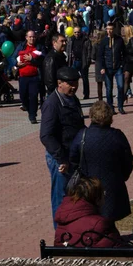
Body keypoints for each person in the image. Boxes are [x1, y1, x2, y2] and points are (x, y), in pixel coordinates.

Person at [70, 101, 133, 222]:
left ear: (91, 116)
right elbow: (127, 161)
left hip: (88, 186)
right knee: (109, 219)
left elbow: (73, 159)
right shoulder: (117, 135)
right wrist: (122, 177)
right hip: (112, 185)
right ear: (110, 117)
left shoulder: (82, 135)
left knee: (91, 217)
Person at [40, 67, 85, 228]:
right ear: (60, 83)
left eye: (76, 83)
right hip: (60, 159)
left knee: (77, 195)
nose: (74, 87)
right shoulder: (52, 104)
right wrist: (61, 159)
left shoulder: (73, 99)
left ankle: (75, 229)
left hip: (74, 156)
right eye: (71, 84)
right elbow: (46, 135)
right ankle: (61, 235)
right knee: (60, 197)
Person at [54, 177, 123, 248]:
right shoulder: (101, 224)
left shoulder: (62, 220)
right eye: (103, 193)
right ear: (96, 198)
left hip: (63, 258)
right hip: (91, 258)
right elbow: (119, 250)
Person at [98, 23, 126, 114]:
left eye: (111, 29)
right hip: (107, 67)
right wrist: (102, 67)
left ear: (114, 30)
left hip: (118, 67)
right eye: (107, 29)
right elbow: (100, 55)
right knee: (109, 88)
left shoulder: (119, 40)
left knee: (121, 86)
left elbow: (124, 53)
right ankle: (110, 107)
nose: (109, 31)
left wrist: (123, 66)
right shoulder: (104, 41)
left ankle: (120, 106)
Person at [18, 31, 42, 123]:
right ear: (26, 37)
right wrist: (16, 64)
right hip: (23, 76)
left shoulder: (39, 47)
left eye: (34, 37)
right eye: (30, 37)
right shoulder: (21, 46)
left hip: (34, 76)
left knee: (33, 96)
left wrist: (32, 60)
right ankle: (29, 109)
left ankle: (32, 115)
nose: (32, 38)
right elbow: (12, 57)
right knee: (23, 96)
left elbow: (43, 59)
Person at [67, 27, 92, 100]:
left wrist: (88, 61)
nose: (77, 34)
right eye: (75, 32)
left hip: (83, 61)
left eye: (78, 32)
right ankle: (71, 93)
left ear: (80, 32)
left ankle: (86, 94)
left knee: (85, 79)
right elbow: (68, 50)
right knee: (72, 79)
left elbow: (89, 50)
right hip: (74, 61)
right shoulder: (71, 39)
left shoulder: (85, 40)